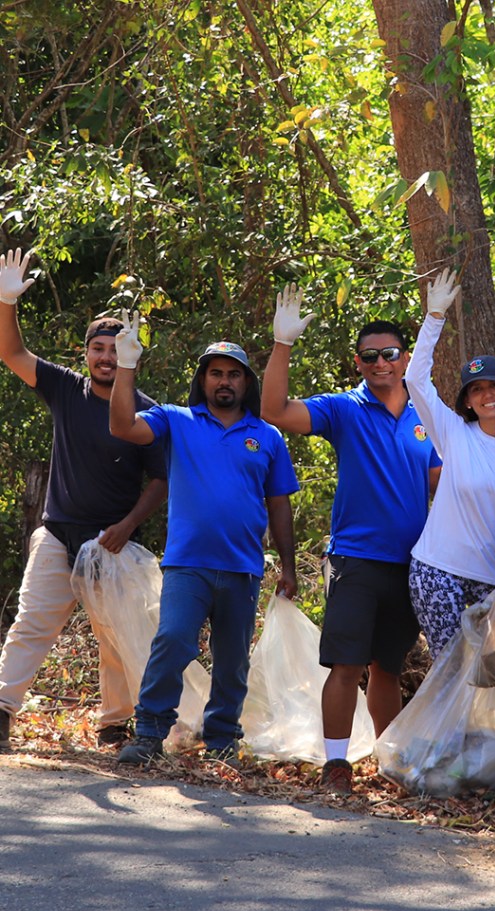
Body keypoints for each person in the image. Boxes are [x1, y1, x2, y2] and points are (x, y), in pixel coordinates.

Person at [261, 284, 441, 794]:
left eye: (389, 354)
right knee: (346, 664)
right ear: (358, 363)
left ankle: (387, 760)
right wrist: (282, 344)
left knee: (387, 667)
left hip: (411, 563)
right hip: (355, 560)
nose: (380, 363)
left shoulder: (426, 415)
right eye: (370, 356)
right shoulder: (344, 409)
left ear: (405, 357)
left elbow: (444, 483)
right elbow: (275, 411)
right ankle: (336, 764)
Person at [110, 319, 298, 768]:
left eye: (233, 374)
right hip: (187, 563)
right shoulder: (177, 420)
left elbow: (280, 507)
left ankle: (222, 738)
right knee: (173, 639)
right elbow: (122, 426)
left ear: (246, 383)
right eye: (216, 373)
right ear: (203, 380)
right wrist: (126, 366)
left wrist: (288, 568)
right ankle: (150, 731)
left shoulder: (267, 437)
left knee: (232, 660)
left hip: (242, 567)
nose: (224, 381)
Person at [0, 248, 167, 750]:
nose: (107, 357)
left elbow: (160, 481)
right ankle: (3, 709)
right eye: (99, 348)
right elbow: (11, 354)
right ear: (85, 352)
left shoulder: (149, 413)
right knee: (32, 623)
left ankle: (115, 723)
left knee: (116, 638)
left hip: (111, 543)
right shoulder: (66, 389)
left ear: (130, 355)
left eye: (117, 349)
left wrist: (127, 526)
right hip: (57, 532)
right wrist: (6, 301)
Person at [405, 268, 495, 659]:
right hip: (438, 570)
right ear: (467, 401)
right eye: (476, 390)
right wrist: (434, 317)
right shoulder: (453, 433)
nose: (486, 394)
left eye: (493, 385)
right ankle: (446, 726)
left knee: (492, 674)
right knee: (452, 672)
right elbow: (416, 381)